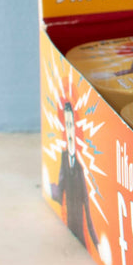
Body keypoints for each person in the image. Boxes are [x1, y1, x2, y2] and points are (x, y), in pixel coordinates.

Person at [49, 102, 98, 250]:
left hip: (80, 235)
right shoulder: (64, 159)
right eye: (67, 125)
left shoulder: (80, 168)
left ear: (75, 129)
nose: (69, 130)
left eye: (71, 125)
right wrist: (50, 186)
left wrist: (96, 243)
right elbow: (59, 194)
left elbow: (87, 210)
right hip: (68, 231)